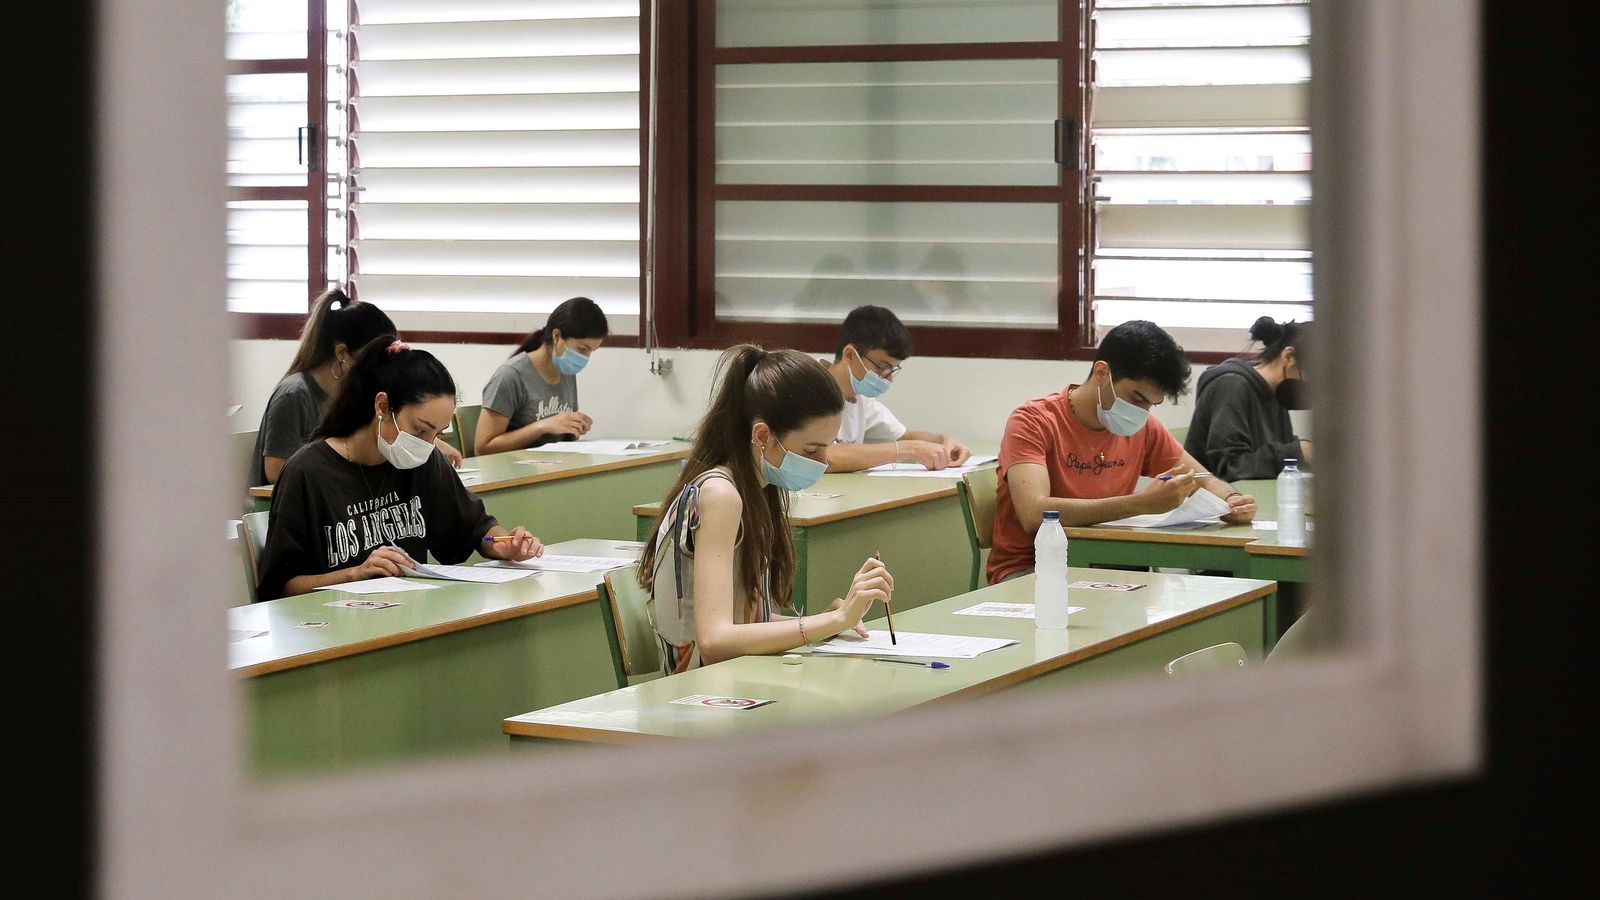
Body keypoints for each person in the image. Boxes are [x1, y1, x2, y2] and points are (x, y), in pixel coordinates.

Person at [638, 346, 893, 675]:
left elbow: (748, 621)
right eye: (812, 448)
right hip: (699, 692)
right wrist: (833, 620)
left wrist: (824, 624)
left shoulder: (758, 490)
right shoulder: (720, 495)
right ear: (762, 435)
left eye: (828, 447)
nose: (824, 461)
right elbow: (715, 641)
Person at [255, 337, 544, 601]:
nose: (428, 444)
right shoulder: (307, 473)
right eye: (420, 430)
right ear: (382, 406)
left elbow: (475, 529)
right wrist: (355, 574)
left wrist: (503, 543)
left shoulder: (425, 462)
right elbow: (280, 587)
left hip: (406, 619)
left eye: (438, 434)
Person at [987, 320, 1257, 585]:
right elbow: (1035, 515)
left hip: (1107, 566)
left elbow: (1204, 479)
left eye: (1152, 404)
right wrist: (1142, 503)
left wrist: (1232, 500)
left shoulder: (1144, 427)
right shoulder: (1033, 421)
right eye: (1137, 399)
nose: (1142, 413)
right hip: (1033, 570)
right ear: (1102, 373)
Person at [247, 288, 461, 487]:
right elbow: (276, 471)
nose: (381, 369)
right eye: (374, 357)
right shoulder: (294, 395)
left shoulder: (364, 397)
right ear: (342, 354)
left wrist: (424, 446)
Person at [818, 305, 972, 472]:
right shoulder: (807, 387)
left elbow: (903, 437)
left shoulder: (862, 400)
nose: (889, 377)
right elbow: (823, 457)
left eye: (893, 369)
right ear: (849, 355)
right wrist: (909, 450)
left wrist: (943, 442)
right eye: (882, 367)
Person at [1184, 316, 1313, 481]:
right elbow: (1230, 468)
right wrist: (1299, 451)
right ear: (1288, 357)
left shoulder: (1276, 394)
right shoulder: (1231, 386)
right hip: (1216, 501)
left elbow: (1275, 456)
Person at [475, 296, 608, 454]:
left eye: (591, 351)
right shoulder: (511, 376)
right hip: (516, 471)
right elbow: (483, 448)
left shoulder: (566, 372)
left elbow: (561, 440)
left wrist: (574, 426)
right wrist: (542, 426)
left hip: (554, 467)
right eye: (581, 349)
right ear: (557, 336)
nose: (585, 358)